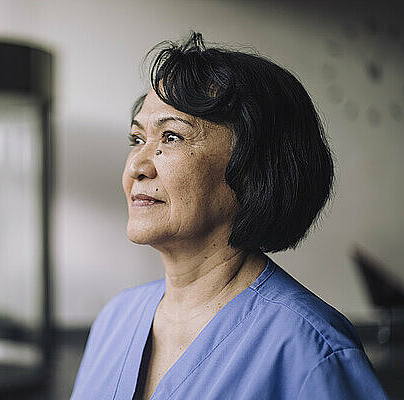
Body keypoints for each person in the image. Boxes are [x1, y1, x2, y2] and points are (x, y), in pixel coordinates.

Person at [70, 32, 388, 400]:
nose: (136, 167)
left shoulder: (311, 351)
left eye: (171, 137)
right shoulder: (115, 321)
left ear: (254, 167)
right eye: (137, 139)